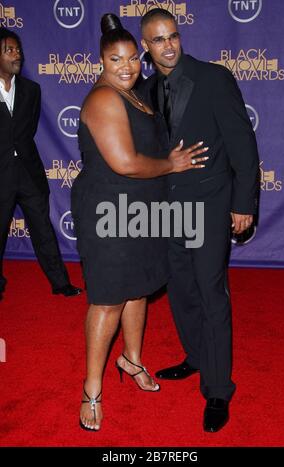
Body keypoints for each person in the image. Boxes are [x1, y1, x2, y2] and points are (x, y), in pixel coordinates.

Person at [71, 13, 209, 431]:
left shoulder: (134, 94)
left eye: (133, 58)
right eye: (116, 60)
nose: (127, 66)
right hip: (109, 213)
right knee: (110, 298)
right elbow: (126, 163)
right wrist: (172, 164)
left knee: (139, 290)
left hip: (142, 211)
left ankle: (131, 360)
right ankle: (91, 389)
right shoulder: (103, 99)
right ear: (101, 61)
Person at [138, 9, 260, 432]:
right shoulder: (147, 89)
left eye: (172, 36)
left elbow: (243, 143)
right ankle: (196, 356)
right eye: (158, 40)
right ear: (146, 47)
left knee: (211, 294)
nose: (168, 45)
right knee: (182, 288)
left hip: (210, 202)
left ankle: (219, 388)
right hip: (168, 209)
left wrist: (243, 202)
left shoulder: (214, 78)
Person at [0, 28, 81, 300]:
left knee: (43, 228)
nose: (16, 54)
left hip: (28, 172)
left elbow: (28, 129)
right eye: (9, 50)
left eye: (18, 49)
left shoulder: (31, 90)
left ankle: (60, 283)